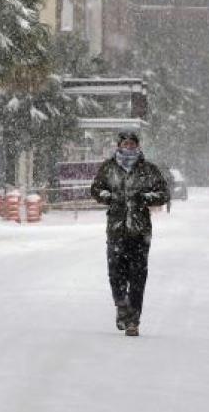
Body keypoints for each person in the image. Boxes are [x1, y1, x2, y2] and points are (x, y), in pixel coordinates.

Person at [90, 131, 169, 337]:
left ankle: (133, 320)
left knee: (137, 277)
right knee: (116, 274)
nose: (129, 147)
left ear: (138, 146)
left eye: (132, 144)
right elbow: (96, 190)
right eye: (125, 143)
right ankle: (121, 306)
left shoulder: (148, 170)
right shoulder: (109, 168)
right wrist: (110, 197)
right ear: (119, 146)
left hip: (140, 232)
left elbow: (163, 194)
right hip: (116, 230)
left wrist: (144, 198)